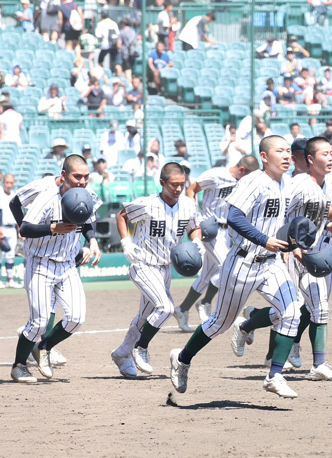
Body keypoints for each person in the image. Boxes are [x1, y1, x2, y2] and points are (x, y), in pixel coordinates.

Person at [234, 137, 332, 378]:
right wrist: (287, 246)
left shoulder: (327, 182)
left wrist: (331, 225)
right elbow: (283, 215)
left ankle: (318, 365)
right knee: (289, 310)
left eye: (331, 153)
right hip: (293, 252)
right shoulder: (299, 183)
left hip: (315, 250)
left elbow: (318, 214)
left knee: (319, 308)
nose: (330, 158)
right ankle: (249, 324)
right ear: (309, 159)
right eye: (325, 154)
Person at [168, 136, 305, 398]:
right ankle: (182, 358)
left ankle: (275, 375)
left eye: (289, 151)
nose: (287, 156)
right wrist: (265, 240)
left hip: (271, 264)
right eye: (280, 151)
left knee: (292, 312)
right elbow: (234, 217)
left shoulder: (285, 183)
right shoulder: (253, 181)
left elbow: (281, 221)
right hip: (243, 262)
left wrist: (293, 245)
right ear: (264, 157)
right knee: (219, 323)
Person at [10, 155, 102, 384]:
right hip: (41, 262)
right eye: (76, 176)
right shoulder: (48, 195)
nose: (82, 181)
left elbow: (89, 221)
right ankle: (19, 366)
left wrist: (93, 241)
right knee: (39, 322)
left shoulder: (87, 195)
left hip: (68, 264)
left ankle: (44, 347)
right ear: (63, 176)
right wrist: (53, 228)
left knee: (77, 317)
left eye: (85, 177)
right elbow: (26, 229)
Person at [110, 163, 202, 378]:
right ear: (162, 183)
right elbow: (122, 215)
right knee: (165, 308)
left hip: (166, 268)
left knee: (144, 316)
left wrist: (196, 243)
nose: (178, 189)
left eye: (182, 184)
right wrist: (126, 242)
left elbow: (194, 227)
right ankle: (140, 347)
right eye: (174, 185)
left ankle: (122, 353)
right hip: (143, 264)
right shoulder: (146, 204)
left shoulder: (188, 205)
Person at [172, 155, 259, 331]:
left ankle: (182, 309)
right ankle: (205, 302)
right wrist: (195, 216)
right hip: (210, 228)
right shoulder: (216, 175)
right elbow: (192, 190)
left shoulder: (243, 182)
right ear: (242, 170)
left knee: (207, 275)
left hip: (228, 231)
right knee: (227, 266)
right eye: (248, 174)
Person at [117, 18, 139, 82]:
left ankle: (129, 86)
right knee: (131, 70)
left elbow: (119, 45)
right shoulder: (133, 31)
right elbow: (136, 43)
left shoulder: (122, 32)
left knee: (128, 71)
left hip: (125, 54)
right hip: (133, 53)